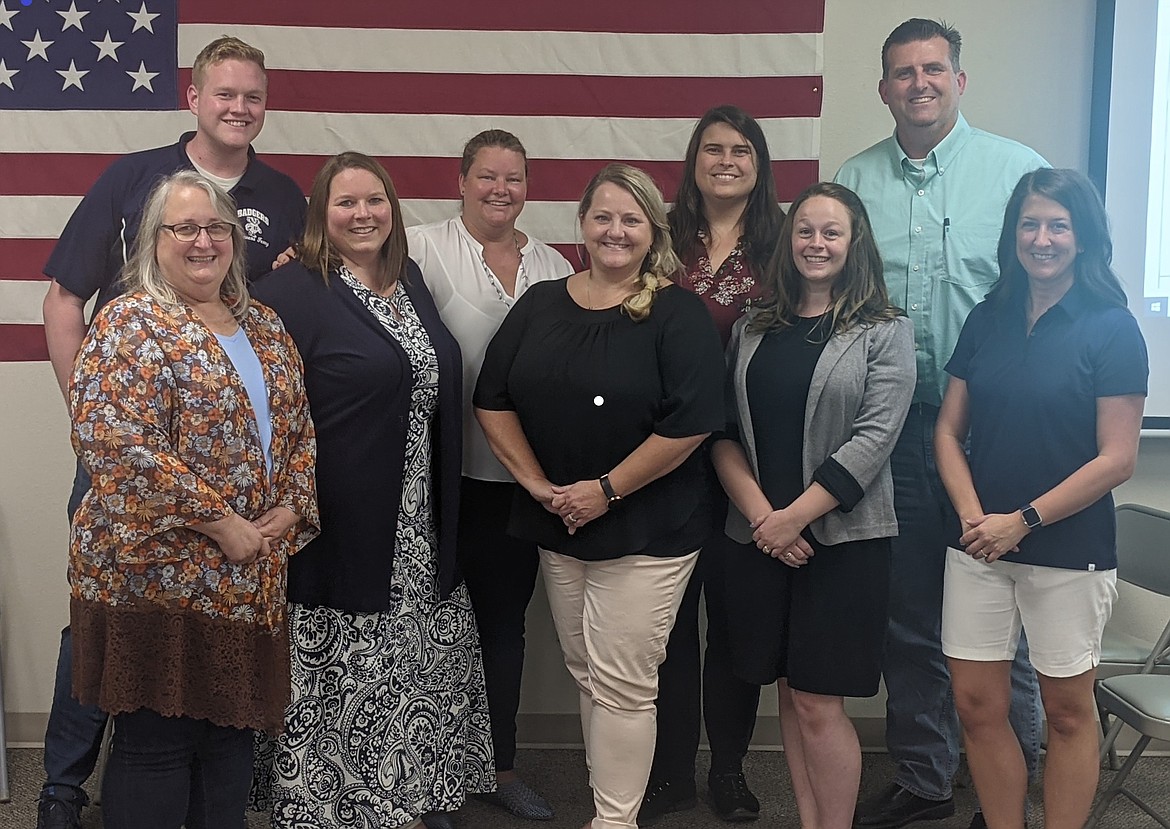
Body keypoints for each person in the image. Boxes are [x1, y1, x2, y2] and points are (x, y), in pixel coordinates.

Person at [37, 35, 306, 829]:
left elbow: (289, 374)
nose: (239, 107)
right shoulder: (133, 183)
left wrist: (284, 507)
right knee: (129, 679)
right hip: (145, 503)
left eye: (252, 94)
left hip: (246, 530)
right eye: (224, 93)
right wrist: (94, 420)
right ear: (193, 97)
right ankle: (59, 785)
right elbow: (62, 301)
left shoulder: (285, 197)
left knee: (221, 728)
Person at [833, 19, 1047, 829]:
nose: (918, 82)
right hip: (891, 433)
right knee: (910, 615)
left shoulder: (1017, 172)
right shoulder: (854, 180)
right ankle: (926, 778)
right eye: (901, 72)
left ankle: (1009, 790)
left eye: (933, 69)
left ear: (959, 79)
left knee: (1003, 621)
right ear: (883, 87)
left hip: (996, 437)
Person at [474, 163, 724, 829]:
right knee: (590, 671)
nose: (616, 230)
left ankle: (614, 820)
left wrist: (607, 490)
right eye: (604, 217)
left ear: (653, 231)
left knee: (622, 682)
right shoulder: (542, 302)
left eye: (631, 219)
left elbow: (694, 421)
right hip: (560, 519)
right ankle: (612, 809)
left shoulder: (676, 310)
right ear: (582, 224)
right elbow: (491, 398)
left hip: (649, 525)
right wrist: (534, 483)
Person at [250, 152, 494, 829]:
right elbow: (262, 411)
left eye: (375, 201)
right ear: (320, 216)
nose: (363, 215)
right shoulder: (290, 294)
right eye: (346, 203)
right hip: (343, 518)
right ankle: (339, 799)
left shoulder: (407, 277)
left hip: (419, 511)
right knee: (352, 661)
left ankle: (405, 787)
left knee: (412, 655)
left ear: (393, 209)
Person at [934, 168, 1147, 829]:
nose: (1043, 237)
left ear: (1082, 238)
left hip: (1068, 548)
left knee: (1067, 711)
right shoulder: (988, 316)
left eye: (1059, 224)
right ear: (1013, 235)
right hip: (977, 544)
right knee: (975, 704)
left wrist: (1020, 521)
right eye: (1030, 223)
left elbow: (1118, 458)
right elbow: (947, 428)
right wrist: (975, 517)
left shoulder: (1113, 327)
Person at [714, 182, 913, 829]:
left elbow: (874, 440)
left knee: (821, 703)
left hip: (843, 544)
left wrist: (792, 518)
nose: (817, 243)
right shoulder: (750, 327)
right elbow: (723, 434)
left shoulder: (885, 330)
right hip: (759, 542)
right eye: (806, 230)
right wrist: (764, 522)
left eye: (832, 232)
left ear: (854, 244)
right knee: (790, 699)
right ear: (789, 240)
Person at [406, 129, 574, 821]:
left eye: (514, 178)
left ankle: (499, 767)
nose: (500, 189)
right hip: (439, 481)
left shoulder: (554, 264)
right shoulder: (418, 246)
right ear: (462, 180)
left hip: (522, 485)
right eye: (487, 176)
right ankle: (432, 774)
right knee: (435, 629)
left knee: (506, 629)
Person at [641, 104, 784, 825]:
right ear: (694, 160)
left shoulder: (784, 243)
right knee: (667, 627)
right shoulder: (659, 238)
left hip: (752, 464)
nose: (726, 160)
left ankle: (728, 768)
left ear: (760, 165)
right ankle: (670, 772)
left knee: (732, 627)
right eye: (713, 149)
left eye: (742, 150)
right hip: (663, 459)